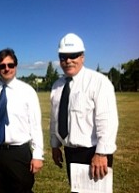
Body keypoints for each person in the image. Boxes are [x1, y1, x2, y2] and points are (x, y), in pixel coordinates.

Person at [50, 33, 119, 188]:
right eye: (63, 57)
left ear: (82, 57)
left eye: (73, 55)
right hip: (70, 152)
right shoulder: (57, 86)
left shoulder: (99, 82)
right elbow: (55, 118)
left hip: (93, 152)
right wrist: (55, 145)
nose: (68, 61)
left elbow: (107, 120)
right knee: (76, 190)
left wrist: (101, 153)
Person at [0, 48, 44, 193]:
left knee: (22, 189)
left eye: (10, 65)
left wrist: (37, 155)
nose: (7, 68)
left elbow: (35, 125)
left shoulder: (27, 91)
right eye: (2, 66)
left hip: (19, 152)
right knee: (0, 189)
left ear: (16, 66)